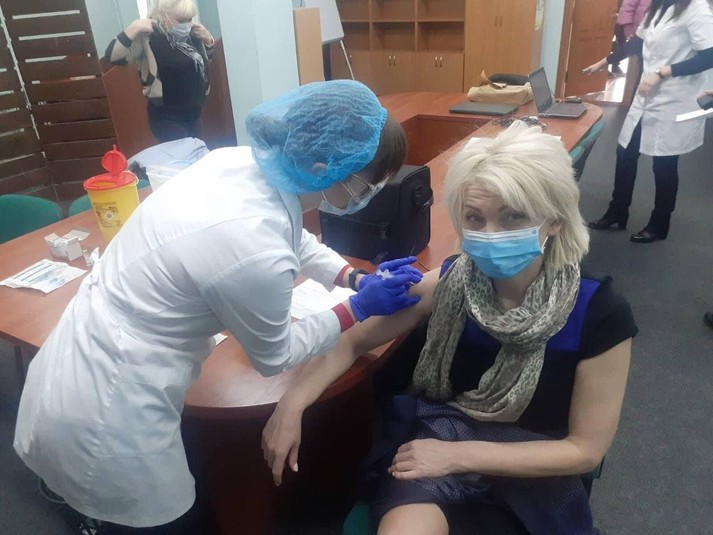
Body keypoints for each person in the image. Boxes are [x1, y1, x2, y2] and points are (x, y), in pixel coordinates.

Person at [14, 80, 421, 534]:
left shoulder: (239, 162)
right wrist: (357, 309)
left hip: (88, 347)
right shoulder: (252, 247)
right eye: (370, 181)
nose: (375, 191)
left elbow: (293, 236)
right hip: (111, 398)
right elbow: (276, 354)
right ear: (326, 167)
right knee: (171, 525)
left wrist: (352, 278)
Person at [263, 123, 637, 534]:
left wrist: (458, 456)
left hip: (531, 467)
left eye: (513, 217)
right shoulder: (452, 283)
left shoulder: (599, 313)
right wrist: (291, 405)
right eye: (474, 218)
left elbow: (584, 450)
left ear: (555, 221)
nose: (489, 235)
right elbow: (351, 342)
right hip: (438, 443)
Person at [583, 0, 713, 243]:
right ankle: (618, 211)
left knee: (664, 163)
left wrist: (663, 72)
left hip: (674, 98)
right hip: (646, 97)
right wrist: (606, 61)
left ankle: (659, 223)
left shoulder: (696, 9)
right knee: (625, 153)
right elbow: (639, 42)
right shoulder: (658, 7)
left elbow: (709, 56)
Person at [105, 0, 215, 142]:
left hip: (194, 113)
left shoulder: (192, 35)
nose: (187, 25)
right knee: (183, 152)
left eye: (190, 19)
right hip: (167, 117)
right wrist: (133, 28)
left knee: (195, 153)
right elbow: (113, 57)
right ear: (164, 15)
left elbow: (201, 64)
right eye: (181, 20)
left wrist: (209, 41)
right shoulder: (149, 38)